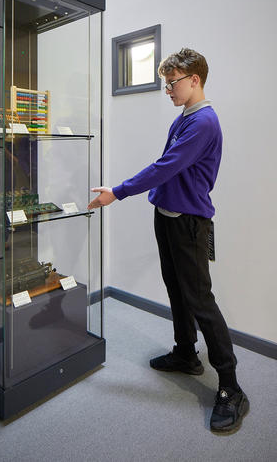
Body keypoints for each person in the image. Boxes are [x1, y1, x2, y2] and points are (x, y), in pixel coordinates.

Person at [87, 48, 249, 434]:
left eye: (172, 82)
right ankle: (185, 354)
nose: (168, 90)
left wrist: (119, 191)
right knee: (176, 289)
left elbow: (166, 166)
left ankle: (230, 386)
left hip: (190, 224)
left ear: (195, 80)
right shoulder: (186, 117)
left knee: (200, 301)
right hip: (167, 216)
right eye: (165, 83)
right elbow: (169, 170)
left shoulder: (204, 123)